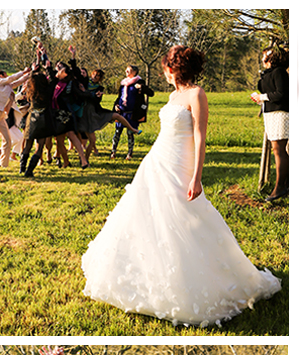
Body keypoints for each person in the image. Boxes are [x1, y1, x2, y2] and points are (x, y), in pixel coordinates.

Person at [82, 45, 281, 327]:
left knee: (185, 218)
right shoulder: (173, 95)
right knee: (147, 216)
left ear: (172, 68)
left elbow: (200, 136)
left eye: (165, 67)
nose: (164, 72)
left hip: (181, 164)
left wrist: (196, 177)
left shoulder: (196, 94)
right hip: (158, 161)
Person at [251, 45, 288, 201]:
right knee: (277, 149)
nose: (262, 58)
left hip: (280, 113)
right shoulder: (268, 73)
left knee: (279, 149)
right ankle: (283, 185)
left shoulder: (279, 72)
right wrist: (260, 100)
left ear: (271, 57)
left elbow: (281, 93)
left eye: (264, 55)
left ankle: (280, 186)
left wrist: (263, 97)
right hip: (271, 113)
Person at [110, 66, 154, 160]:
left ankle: (129, 153)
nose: (126, 71)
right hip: (121, 112)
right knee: (117, 132)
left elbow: (151, 93)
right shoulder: (123, 83)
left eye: (128, 70)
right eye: (126, 69)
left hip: (132, 113)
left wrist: (141, 87)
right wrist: (116, 105)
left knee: (130, 133)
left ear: (134, 72)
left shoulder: (139, 82)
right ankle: (113, 152)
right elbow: (119, 97)